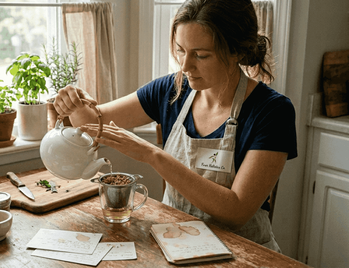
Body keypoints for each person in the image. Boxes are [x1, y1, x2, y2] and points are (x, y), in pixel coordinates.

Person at [53, 0, 297, 252]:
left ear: (237, 51)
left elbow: (236, 211)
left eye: (201, 55)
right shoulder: (172, 90)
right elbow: (93, 123)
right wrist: (75, 103)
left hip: (245, 253)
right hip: (176, 245)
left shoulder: (272, 111)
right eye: (181, 50)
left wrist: (152, 155)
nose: (185, 66)